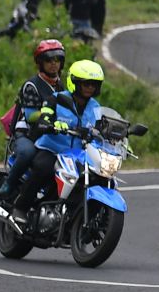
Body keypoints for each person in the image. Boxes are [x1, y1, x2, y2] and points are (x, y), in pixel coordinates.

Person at [11, 60, 105, 225]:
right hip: (52, 149)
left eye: (94, 84)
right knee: (43, 167)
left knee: (95, 176)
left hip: (77, 154)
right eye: (86, 83)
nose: (90, 87)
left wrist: (118, 138)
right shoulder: (56, 99)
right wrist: (48, 122)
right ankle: (21, 207)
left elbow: (102, 128)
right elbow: (44, 115)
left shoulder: (95, 107)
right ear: (75, 82)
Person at [0, 39, 67, 200]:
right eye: (48, 60)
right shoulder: (32, 85)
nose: (53, 64)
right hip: (28, 133)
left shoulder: (60, 86)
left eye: (57, 60)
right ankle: (9, 185)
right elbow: (30, 115)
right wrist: (51, 116)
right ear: (40, 63)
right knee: (28, 153)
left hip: (49, 133)